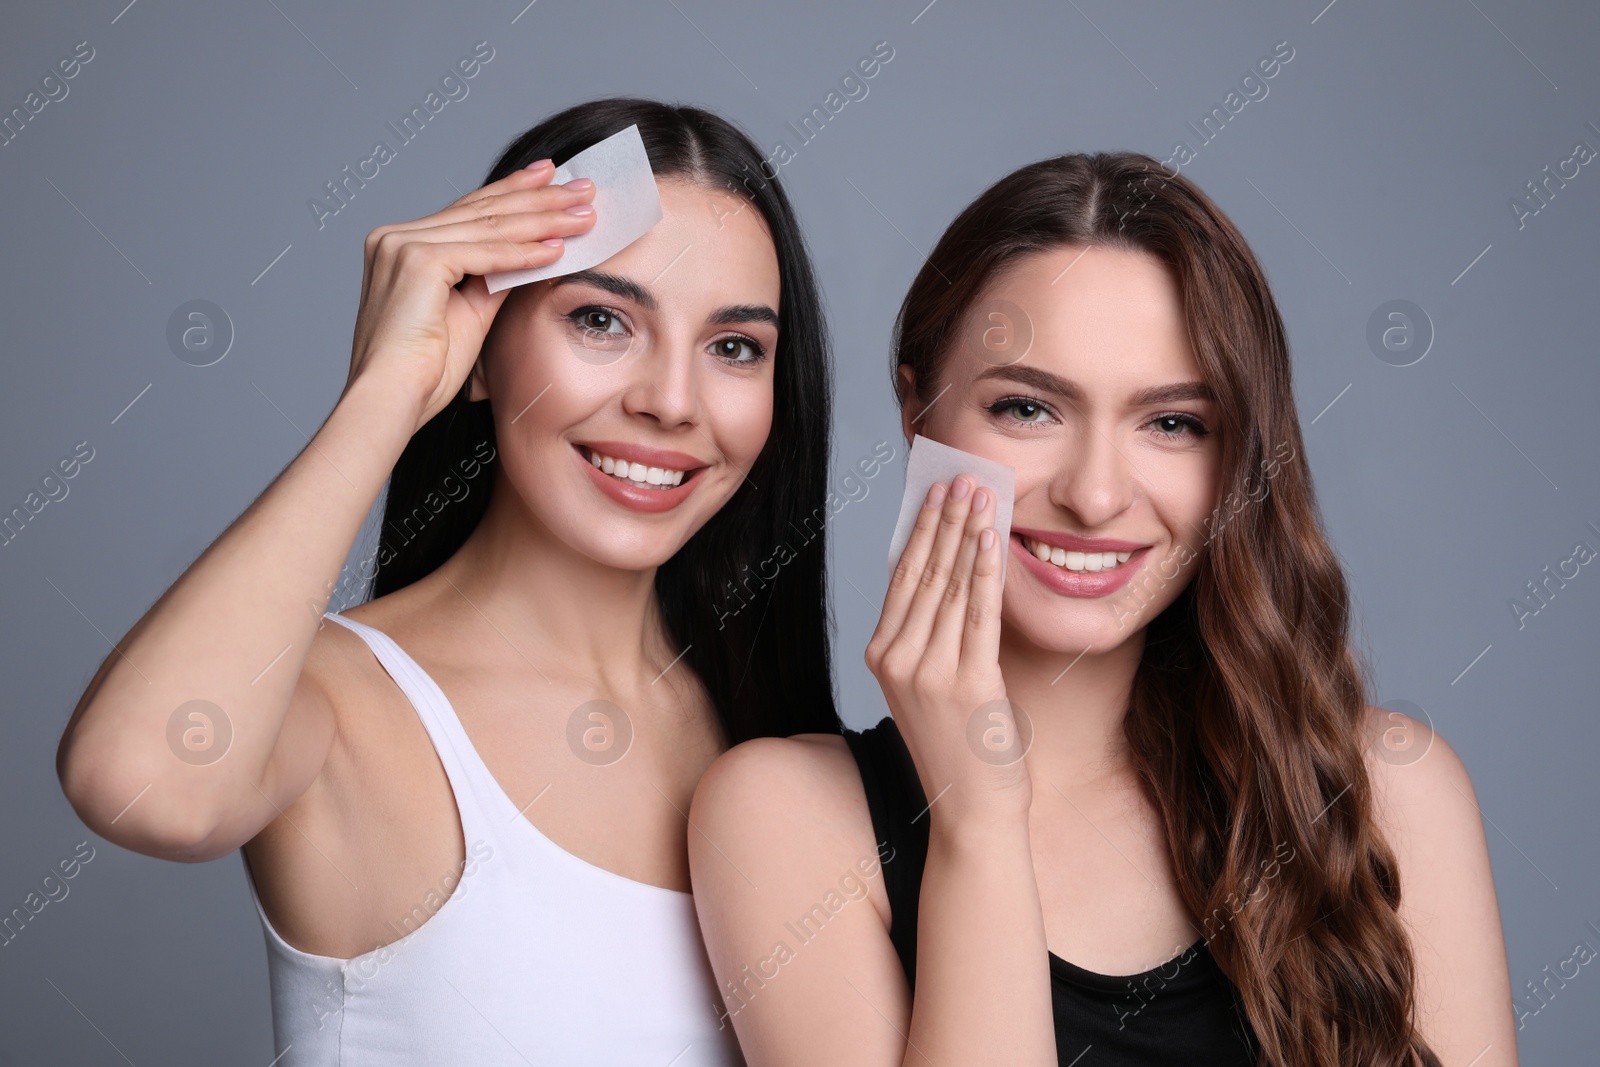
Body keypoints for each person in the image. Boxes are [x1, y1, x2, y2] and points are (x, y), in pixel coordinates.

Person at [56, 97, 840, 1065]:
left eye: (733, 347)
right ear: (481, 350)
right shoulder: (345, 701)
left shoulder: (774, 739)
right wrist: (389, 386)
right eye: (601, 319)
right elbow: (139, 784)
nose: (671, 402)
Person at [688, 152, 1516, 1066]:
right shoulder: (785, 821)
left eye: (1172, 423)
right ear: (917, 408)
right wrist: (979, 815)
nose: (1093, 495)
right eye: (1029, 409)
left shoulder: (1392, 794)